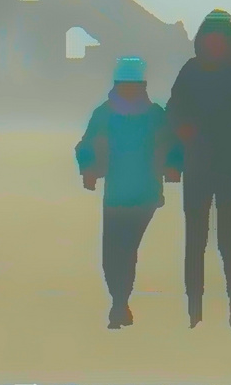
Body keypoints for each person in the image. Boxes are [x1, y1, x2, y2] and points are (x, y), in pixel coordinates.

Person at [166, 11, 231, 330]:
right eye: (210, 36)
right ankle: (194, 310)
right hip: (197, 166)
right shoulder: (191, 71)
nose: (214, 42)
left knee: (228, 242)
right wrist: (172, 161)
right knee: (195, 242)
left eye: (220, 36)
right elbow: (172, 117)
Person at [77, 56, 184, 328]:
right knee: (121, 250)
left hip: (135, 195)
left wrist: (89, 171)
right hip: (130, 194)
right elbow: (86, 146)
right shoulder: (144, 114)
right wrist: (89, 170)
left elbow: (172, 147)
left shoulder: (118, 113)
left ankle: (119, 301)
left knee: (119, 249)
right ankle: (119, 302)